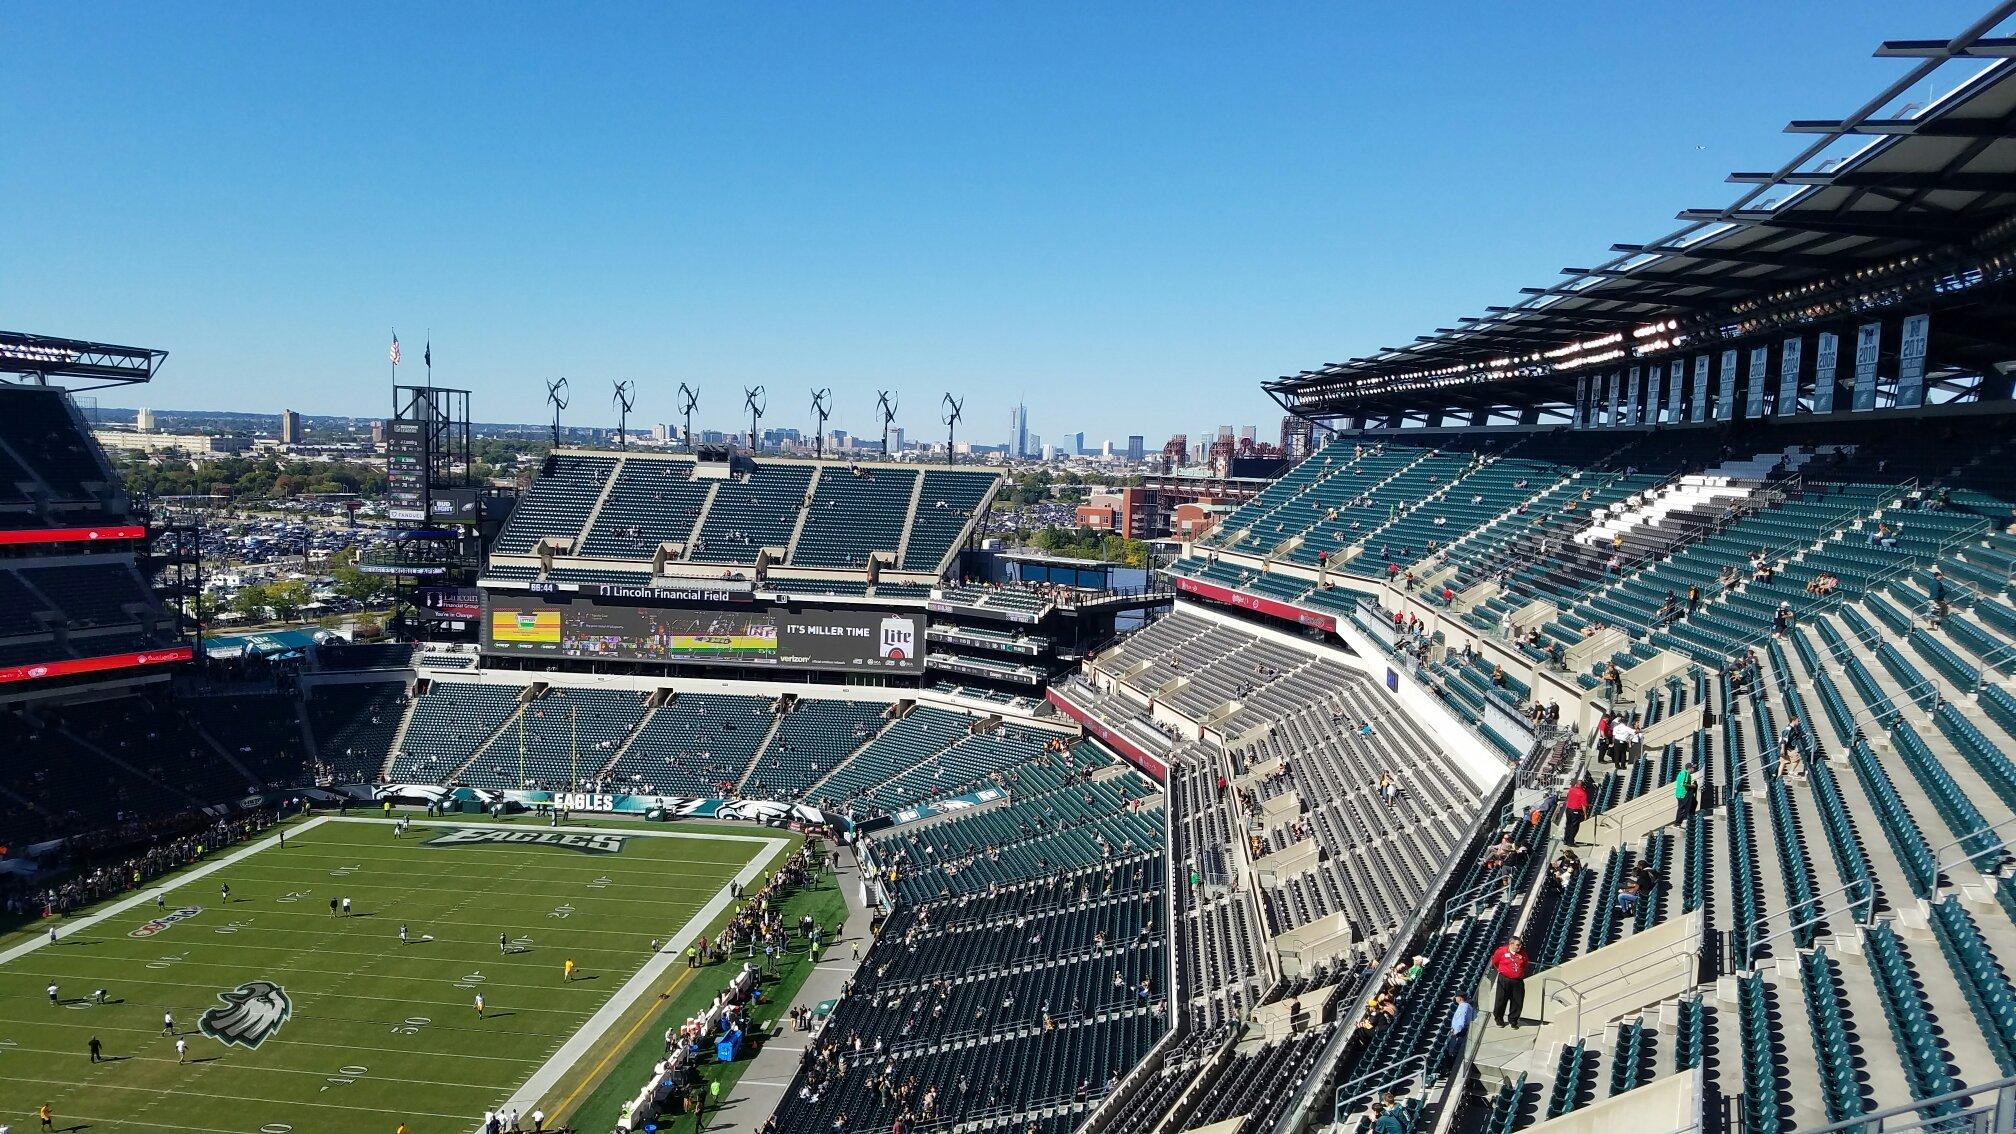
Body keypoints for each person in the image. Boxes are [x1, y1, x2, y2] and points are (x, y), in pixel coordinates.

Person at [1427, 993, 1474, 1086]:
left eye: (1456, 996)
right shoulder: (1465, 1006)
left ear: (1460, 998)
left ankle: (1451, 1071)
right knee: (1450, 1052)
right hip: (1460, 1032)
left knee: (1452, 1052)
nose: (1455, 998)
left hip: (1459, 1033)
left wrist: (1456, 1032)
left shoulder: (1464, 1007)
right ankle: (1449, 1070)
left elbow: (1461, 1021)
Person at [1490, 937, 1529, 1028]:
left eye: (1520, 945)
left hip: (1517, 981)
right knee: (1501, 1000)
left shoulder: (1522, 953)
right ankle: (1499, 1019)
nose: (1520, 947)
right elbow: (1495, 961)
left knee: (1517, 1001)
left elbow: (1525, 964)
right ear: (1511, 944)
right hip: (1504, 979)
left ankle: (1513, 1020)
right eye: (1517, 945)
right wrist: (1503, 971)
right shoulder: (1501, 951)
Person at [1562, 778, 1589, 847]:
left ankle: (1565, 840)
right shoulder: (1583, 793)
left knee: (1568, 824)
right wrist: (1585, 814)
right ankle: (1570, 842)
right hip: (1576, 810)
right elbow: (1583, 805)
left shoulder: (1571, 789)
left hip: (1568, 809)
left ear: (1576, 784)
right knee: (1574, 826)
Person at [1672, 759, 1697, 827]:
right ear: (1689, 768)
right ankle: (1677, 823)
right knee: (1682, 809)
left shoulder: (1681, 772)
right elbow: (1684, 784)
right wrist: (1692, 786)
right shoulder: (1686, 774)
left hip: (1679, 793)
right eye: (1693, 768)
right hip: (1683, 794)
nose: (1694, 769)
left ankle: (1679, 822)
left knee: (1685, 807)